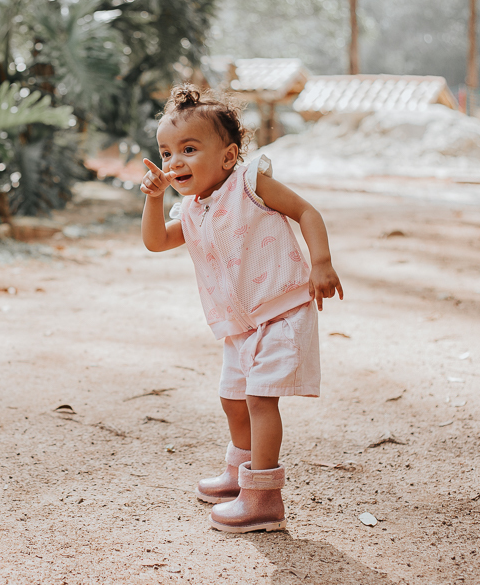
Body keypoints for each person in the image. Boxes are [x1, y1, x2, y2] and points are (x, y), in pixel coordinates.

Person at [140, 84, 343, 533]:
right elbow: (156, 242)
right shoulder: (192, 209)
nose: (174, 162)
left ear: (228, 156)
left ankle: (264, 498)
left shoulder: (249, 184)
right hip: (239, 326)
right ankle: (239, 474)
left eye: (189, 149)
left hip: (281, 312)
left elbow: (306, 212)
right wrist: (153, 199)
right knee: (232, 399)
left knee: (259, 399)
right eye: (166, 152)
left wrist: (321, 263)